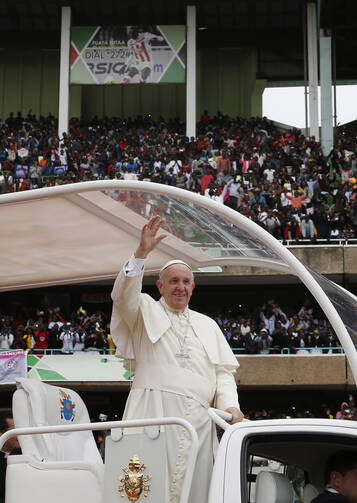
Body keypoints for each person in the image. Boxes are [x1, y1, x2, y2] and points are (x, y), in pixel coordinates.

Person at [110, 216, 243, 503]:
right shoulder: (143, 310)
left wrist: (231, 406)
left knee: (195, 490)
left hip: (199, 420)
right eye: (173, 281)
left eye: (186, 282)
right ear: (160, 286)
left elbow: (223, 375)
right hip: (152, 413)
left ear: (193, 288)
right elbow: (122, 296)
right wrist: (141, 254)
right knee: (145, 490)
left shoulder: (208, 325)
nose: (180, 287)